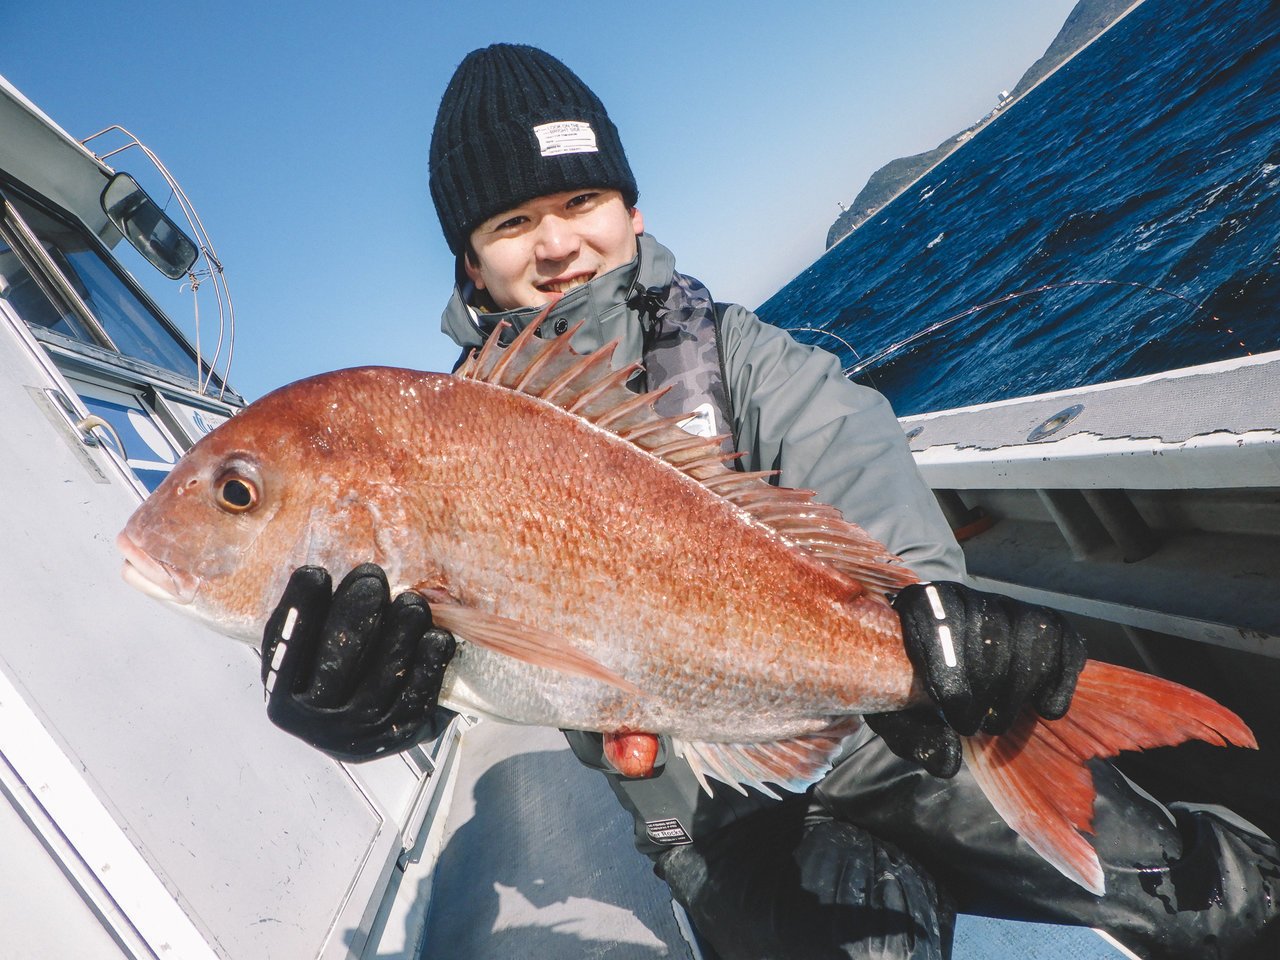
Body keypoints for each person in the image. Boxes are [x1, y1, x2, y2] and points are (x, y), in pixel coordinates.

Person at [259, 44, 1280, 959]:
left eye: (579, 203)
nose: (556, 242)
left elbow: (846, 449)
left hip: (893, 741)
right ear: (470, 261)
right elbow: (472, 661)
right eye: (513, 221)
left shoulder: (739, 356)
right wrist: (363, 709)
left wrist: (930, 614)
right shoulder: (443, 444)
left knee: (1210, 905)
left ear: (630, 209)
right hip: (705, 808)